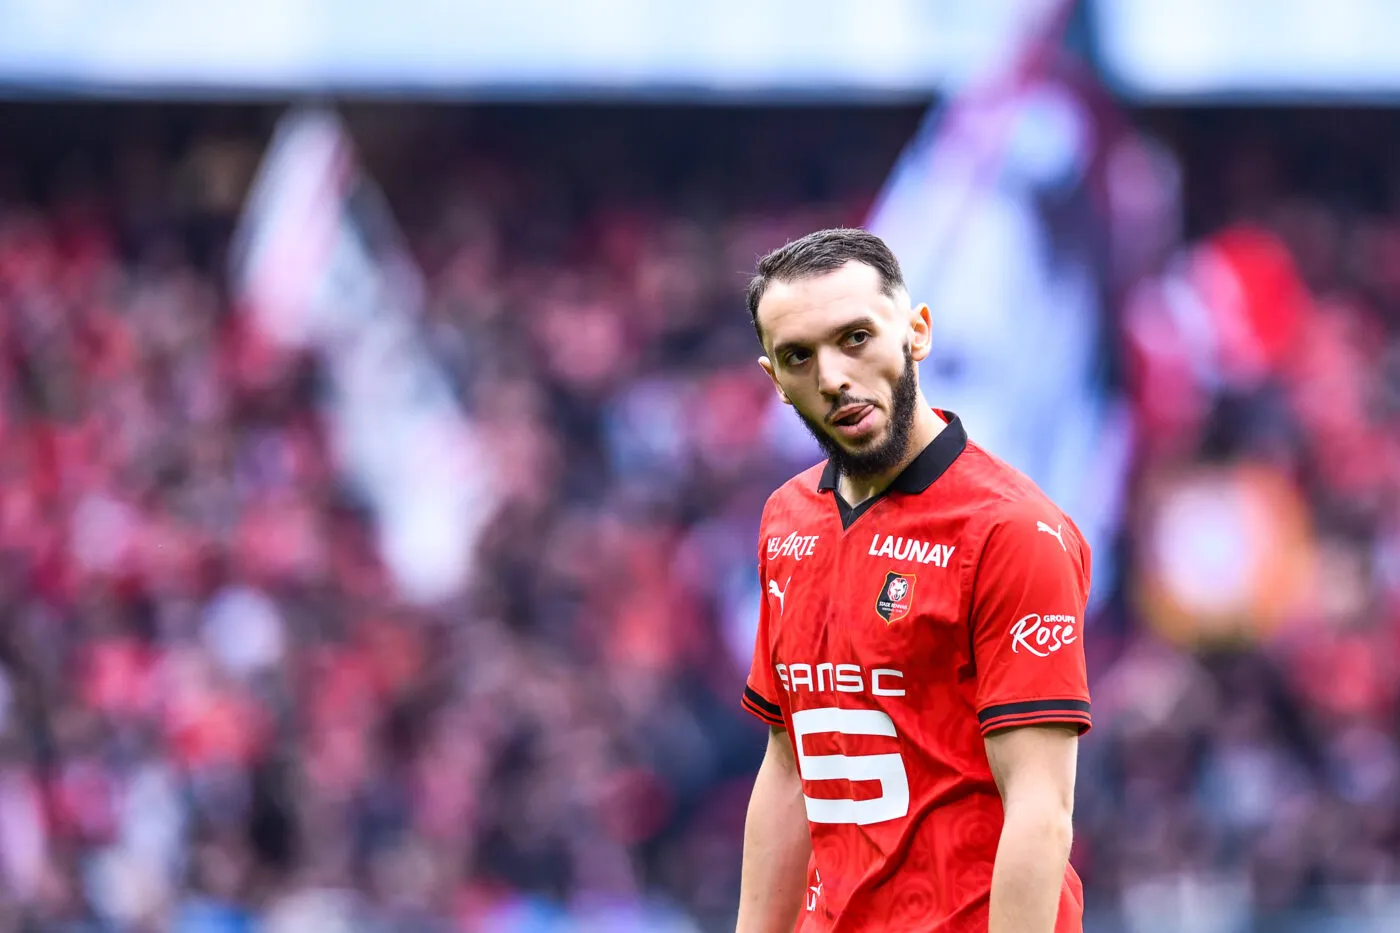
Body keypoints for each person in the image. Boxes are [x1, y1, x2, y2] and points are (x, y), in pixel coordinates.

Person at [735, 229, 1092, 933]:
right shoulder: (786, 519)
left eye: (856, 337)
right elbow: (788, 764)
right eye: (798, 356)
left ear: (916, 333)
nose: (833, 375)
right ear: (774, 379)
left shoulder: (1012, 531)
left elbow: (1041, 808)